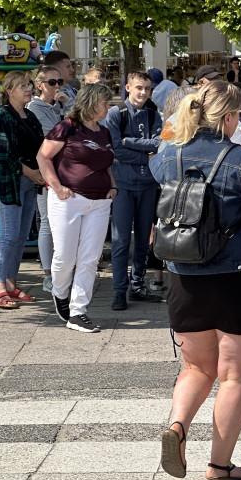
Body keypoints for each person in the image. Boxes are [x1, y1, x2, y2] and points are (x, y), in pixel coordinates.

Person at [154, 81, 241, 480]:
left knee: (195, 367)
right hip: (236, 279)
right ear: (230, 118)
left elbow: (155, 152)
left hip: (183, 278)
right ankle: (219, 465)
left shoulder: (166, 157)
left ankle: (177, 426)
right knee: (233, 376)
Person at [37, 84, 118, 333]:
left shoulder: (104, 131)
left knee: (90, 258)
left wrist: (113, 186)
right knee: (65, 256)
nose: (109, 107)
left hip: (100, 202)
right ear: (92, 102)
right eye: (105, 103)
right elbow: (43, 157)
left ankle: (78, 311)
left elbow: (106, 163)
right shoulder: (67, 127)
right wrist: (57, 187)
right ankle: (60, 292)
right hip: (67, 200)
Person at [104, 71, 163, 311]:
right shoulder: (115, 113)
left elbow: (160, 143)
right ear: (128, 87)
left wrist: (130, 143)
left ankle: (137, 285)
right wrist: (142, 154)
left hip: (148, 184)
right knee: (120, 241)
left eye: (147, 88)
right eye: (139, 87)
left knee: (143, 240)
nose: (143, 93)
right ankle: (120, 290)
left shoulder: (152, 114)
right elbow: (115, 149)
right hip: (123, 186)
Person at [0, 71, 46, 309]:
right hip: (10, 182)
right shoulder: (2, 116)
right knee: (9, 235)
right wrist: (31, 172)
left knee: (22, 236)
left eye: (29, 84)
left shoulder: (30, 116)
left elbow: (42, 147)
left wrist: (41, 173)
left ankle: (11, 282)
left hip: (30, 183)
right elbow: (2, 155)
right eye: (22, 85)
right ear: (9, 90)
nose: (28, 88)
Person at [27, 65, 66, 294]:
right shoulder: (36, 107)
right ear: (40, 85)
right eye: (52, 82)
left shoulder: (57, 105)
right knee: (48, 223)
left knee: (58, 222)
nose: (57, 86)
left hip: (62, 171)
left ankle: (60, 270)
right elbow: (57, 133)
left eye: (59, 81)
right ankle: (48, 273)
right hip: (45, 172)